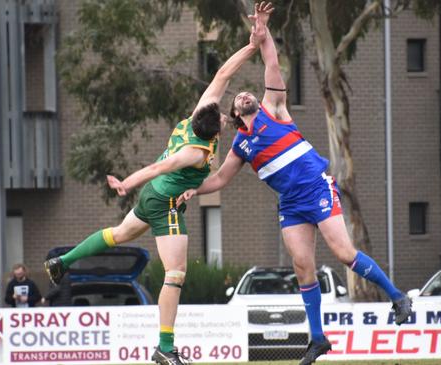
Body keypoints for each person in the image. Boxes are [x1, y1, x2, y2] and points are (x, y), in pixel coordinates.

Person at [177, 6, 413, 365]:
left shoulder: (275, 107)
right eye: (239, 98)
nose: (244, 94)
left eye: (245, 93)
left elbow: (271, 61)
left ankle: (397, 297)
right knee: (302, 267)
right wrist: (195, 189)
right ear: (237, 115)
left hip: (317, 188)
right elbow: (222, 178)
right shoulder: (241, 145)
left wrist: (264, 30)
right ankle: (317, 339)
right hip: (291, 204)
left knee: (344, 254)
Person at [43, 5, 271, 365]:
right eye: (224, 125)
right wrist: (125, 183)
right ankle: (165, 348)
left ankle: (62, 261)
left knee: (119, 235)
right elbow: (157, 166)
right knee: (176, 273)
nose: (227, 123)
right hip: (163, 201)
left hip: (155, 197)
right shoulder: (195, 153)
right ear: (211, 133)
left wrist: (252, 46)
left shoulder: (202, 110)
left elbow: (224, 72)